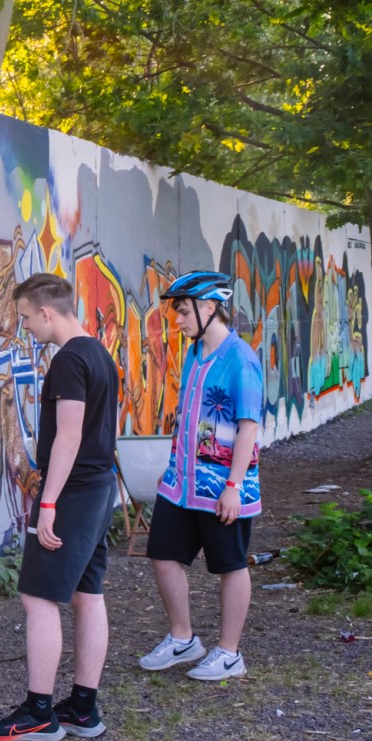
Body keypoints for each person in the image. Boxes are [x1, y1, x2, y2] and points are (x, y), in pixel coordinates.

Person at [0, 274, 119, 741]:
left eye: (25, 318)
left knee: (39, 596)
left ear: (47, 312)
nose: (25, 327)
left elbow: (71, 435)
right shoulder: (98, 353)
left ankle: (39, 712)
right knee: (87, 594)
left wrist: (50, 502)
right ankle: (82, 706)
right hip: (99, 487)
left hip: (73, 492)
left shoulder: (67, 360)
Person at [139, 270, 263, 681]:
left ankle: (229, 653)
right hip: (183, 483)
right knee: (162, 555)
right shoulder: (195, 353)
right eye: (176, 311)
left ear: (209, 307)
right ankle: (183, 639)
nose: (178, 319)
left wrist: (232, 488)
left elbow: (248, 428)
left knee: (230, 564)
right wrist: (172, 469)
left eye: (184, 310)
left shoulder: (241, 359)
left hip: (222, 487)